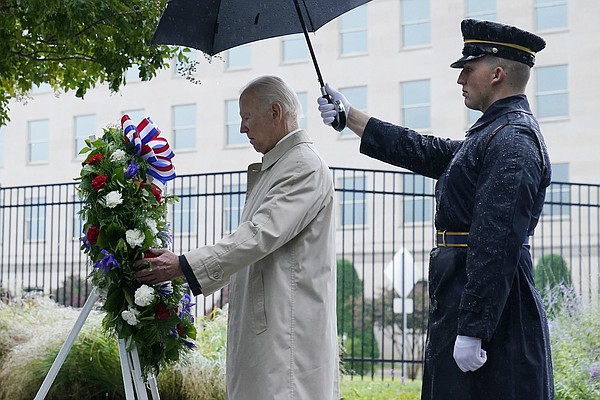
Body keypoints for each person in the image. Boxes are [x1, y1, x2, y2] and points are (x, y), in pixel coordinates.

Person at [317, 19, 554, 400]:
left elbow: (496, 241)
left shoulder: (513, 139)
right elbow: (422, 149)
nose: (460, 79)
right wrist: (351, 116)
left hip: (494, 314)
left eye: (467, 69)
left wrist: (475, 327)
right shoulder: (491, 133)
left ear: (496, 74)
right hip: (464, 295)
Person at [137, 75, 340, 399]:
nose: (243, 128)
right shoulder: (281, 166)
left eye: (246, 117)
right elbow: (251, 243)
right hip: (273, 328)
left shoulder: (302, 166)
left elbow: (258, 235)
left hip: (287, 336)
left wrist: (184, 265)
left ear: (275, 112)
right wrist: (185, 268)